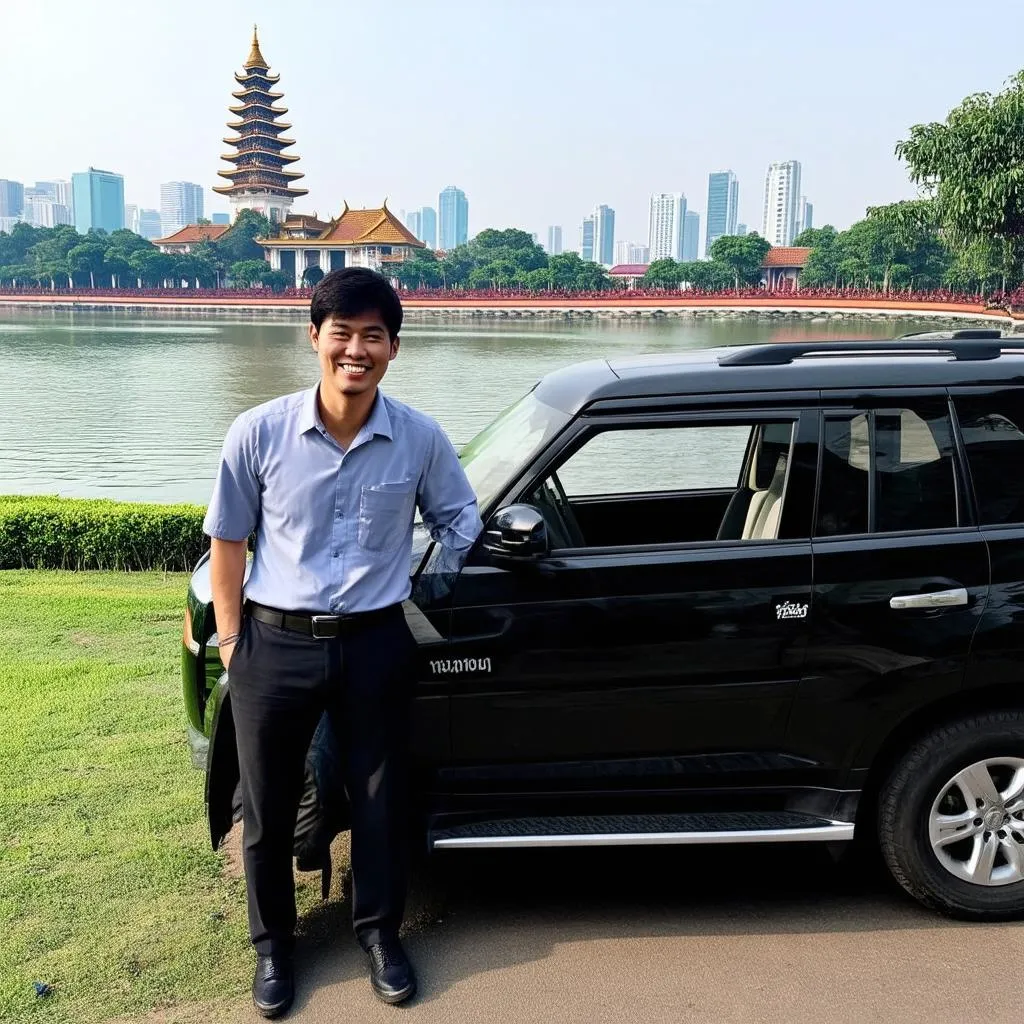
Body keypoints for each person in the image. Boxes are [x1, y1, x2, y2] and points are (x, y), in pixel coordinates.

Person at [202, 267, 482, 1017]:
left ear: (394, 347)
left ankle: (380, 935)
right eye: (343, 332)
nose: (357, 349)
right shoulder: (258, 431)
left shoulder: (419, 437)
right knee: (265, 805)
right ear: (315, 336)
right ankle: (273, 948)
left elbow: (462, 520)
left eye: (374, 335)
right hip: (274, 643)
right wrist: (232, 643)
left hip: (375, 644)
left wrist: (420, 582)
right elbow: (227, 543)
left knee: (381, 799)